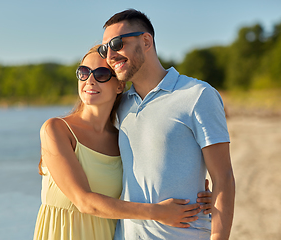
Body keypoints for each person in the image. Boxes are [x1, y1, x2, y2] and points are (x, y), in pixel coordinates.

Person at [33, 45, 213, 240]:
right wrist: (158, 213)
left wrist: (195, 192)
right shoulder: (56, 130)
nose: (90, 80)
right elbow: (84, 202)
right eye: (83, 73)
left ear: (119, 86)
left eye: (101, 74)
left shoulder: (123, 139)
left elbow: (149, 180)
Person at [98, 9, 235, 240]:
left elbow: (224, 178)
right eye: (105, 49)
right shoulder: (119, 106)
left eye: (117, 43)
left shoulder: (197, 95)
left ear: (146, 40)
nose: (110, 55)